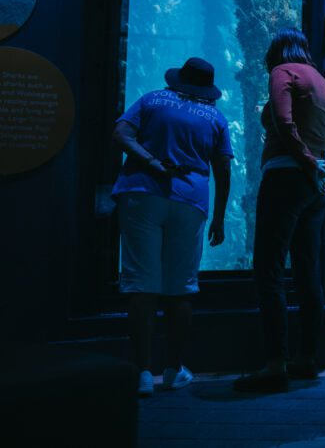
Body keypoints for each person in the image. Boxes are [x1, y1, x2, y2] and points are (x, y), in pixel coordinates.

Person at [111, 57, 233, 397]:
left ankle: (142, 373)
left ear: (177, 80)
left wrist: (149, 160)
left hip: (140, 194)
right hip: (189, 201)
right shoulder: (216, 117)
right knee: (181, 288)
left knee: (141, 284)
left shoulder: (151, 100)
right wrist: (219, 215)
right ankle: (173, 369)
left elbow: (120, 133)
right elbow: (223, 170)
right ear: (207, 88)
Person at [235, 28, 325, 392]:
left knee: (269, 269)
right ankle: (306, 358)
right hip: (315, 187)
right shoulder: (323, 84)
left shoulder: (283, 73)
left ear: (276, 52)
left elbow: (283, 121)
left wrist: (306, 161)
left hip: (285, 177)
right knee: (309, 271)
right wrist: (323, 171)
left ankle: (275, 363)